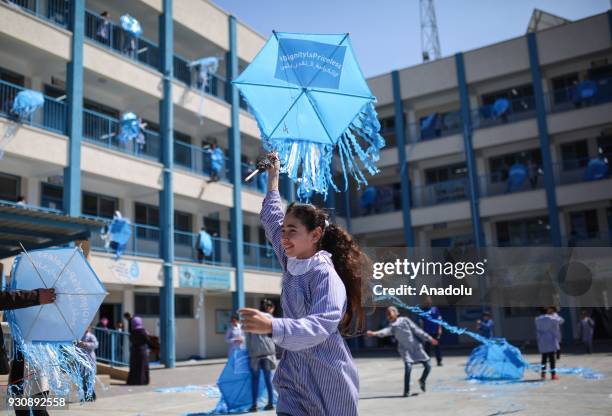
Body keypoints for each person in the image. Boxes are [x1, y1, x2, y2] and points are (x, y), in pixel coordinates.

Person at [238, 151, 366, 416]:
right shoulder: (291, 261)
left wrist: (273, 325)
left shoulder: (325, 275)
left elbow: (320, 325)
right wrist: (274, 175)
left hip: (328, 382)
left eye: (292, 231)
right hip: (294, 379)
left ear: (315, 234)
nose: (283, 236)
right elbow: (272, 217)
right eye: (284, 231)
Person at [2, 287, 56, 416]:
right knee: (22, 409)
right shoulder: (15, 320)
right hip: (19, 369)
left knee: (39, 410)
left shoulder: (46, 324)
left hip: (38, 368)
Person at [367, 306, 438, 397]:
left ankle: (422, 380)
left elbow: (417, 330)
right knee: (408, 368)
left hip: (415, 346)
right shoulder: (392, 326)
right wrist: (374, 333)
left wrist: (430, 338)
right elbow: (385, 332)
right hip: (404, 349)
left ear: (396, 313)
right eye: (387, 313)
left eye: (391, 312)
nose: (388, 314)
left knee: (428, 366)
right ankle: (406, 391)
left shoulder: (405, 320)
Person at [246, 299, 276, 412]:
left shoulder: (252, 318)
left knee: (255, 379)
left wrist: (249, 352)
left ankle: (254, 405)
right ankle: (270, 403)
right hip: (268, 352)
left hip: (255, 352)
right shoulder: (270, 318)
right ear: (269, 308)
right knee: (268, 378)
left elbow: (248, 337)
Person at [535, 306, 564, 380]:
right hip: (550, 338)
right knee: (551, 358)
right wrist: (555, 314)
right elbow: (561, 321)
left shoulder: (537, 319)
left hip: (542, 339)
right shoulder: (551, 318)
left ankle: (543, 374)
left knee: (543, 358)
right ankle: (553, 375)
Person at [126, 316, 153, 385]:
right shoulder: (142, 331)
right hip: (142, 350)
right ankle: (142, 381)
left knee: (134, 366)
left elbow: (131, 340)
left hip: (134, 350)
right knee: (142, 367)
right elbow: (148, 341)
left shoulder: (132, 332)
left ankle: (133, 381)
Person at [77, 326, 99, 401]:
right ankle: (85, 395)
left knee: (89, 377)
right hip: (82, 360)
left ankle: (91, 395)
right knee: (83, 378)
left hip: (90, 359)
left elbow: (96, 344)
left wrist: (86, 344)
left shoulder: (91, 336)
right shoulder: (79, 336)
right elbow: (76, 345)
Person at [420, 296, 443, 366]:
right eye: (426, 300)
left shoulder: (435, 309)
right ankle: (427, 362)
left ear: (431, 301)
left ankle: (439, 361)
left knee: (437, 347)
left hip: (435, 331)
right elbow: (421, 322)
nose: (428, 302)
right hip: (427, 331)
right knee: (427, 348)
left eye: (429, 300)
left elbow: (439, 319)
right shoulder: (423, 310)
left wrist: (440, 328)